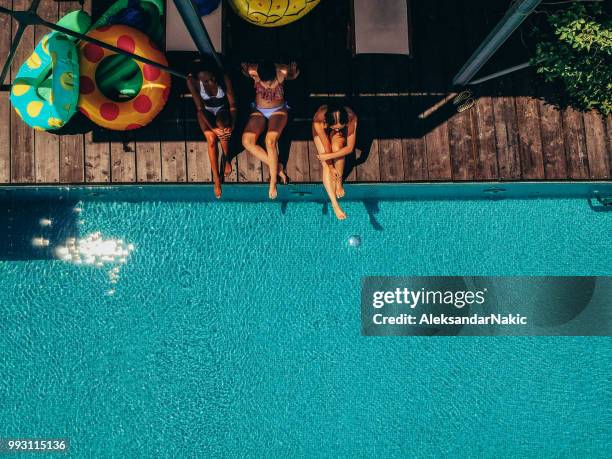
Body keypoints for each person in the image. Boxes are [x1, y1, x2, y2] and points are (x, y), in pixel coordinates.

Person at [241, 61, 300, 199]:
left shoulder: (282, 72)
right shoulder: (253, 71)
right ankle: (278, 167)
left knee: (270, 141)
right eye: (264, 82)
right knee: (246, 141)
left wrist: (293, 71)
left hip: (278, 111)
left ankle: (273, 181)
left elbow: (294, 74)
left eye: (270, 82)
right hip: (259, 111)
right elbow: (245, 70)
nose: (267, 85)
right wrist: (245, 70)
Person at [186, 60, 237, 198]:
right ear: (198, 79)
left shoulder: (223, 77)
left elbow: (232, 104)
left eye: (211, 78)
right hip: (205, 110)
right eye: (206, 80)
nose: (210, 82)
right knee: (211, 139)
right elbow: (200, 108)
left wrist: (232, 124)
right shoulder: (192, 81)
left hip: (222, 108)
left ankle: (226, 159)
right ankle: (216, 178)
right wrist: (212, 128)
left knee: (224, 128)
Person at [312, 104, 358, 220]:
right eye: (335, 127)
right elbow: (327, 146)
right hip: (320, 129)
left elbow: (349, 148)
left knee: (338, 148)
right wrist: (330, 166)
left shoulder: (351, 117)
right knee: (326, 166)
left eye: (339, 127)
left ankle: (339, 181)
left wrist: (329, 156)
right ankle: (334, 203)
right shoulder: (319, 119)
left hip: (336, 128)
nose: (337, 129)